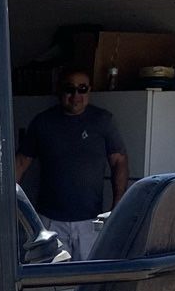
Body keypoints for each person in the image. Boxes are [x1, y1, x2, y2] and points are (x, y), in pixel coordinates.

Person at [19, 69, 130, 228]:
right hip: (49, 220)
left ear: (89, 90)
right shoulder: (42, 122)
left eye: (82, 89)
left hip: (91, 220)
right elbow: (21, 163)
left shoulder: (103, 121)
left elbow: (119, 161)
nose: (76, 95)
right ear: (60, 91)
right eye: (69, 89)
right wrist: (4, 204)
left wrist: (118, 204)